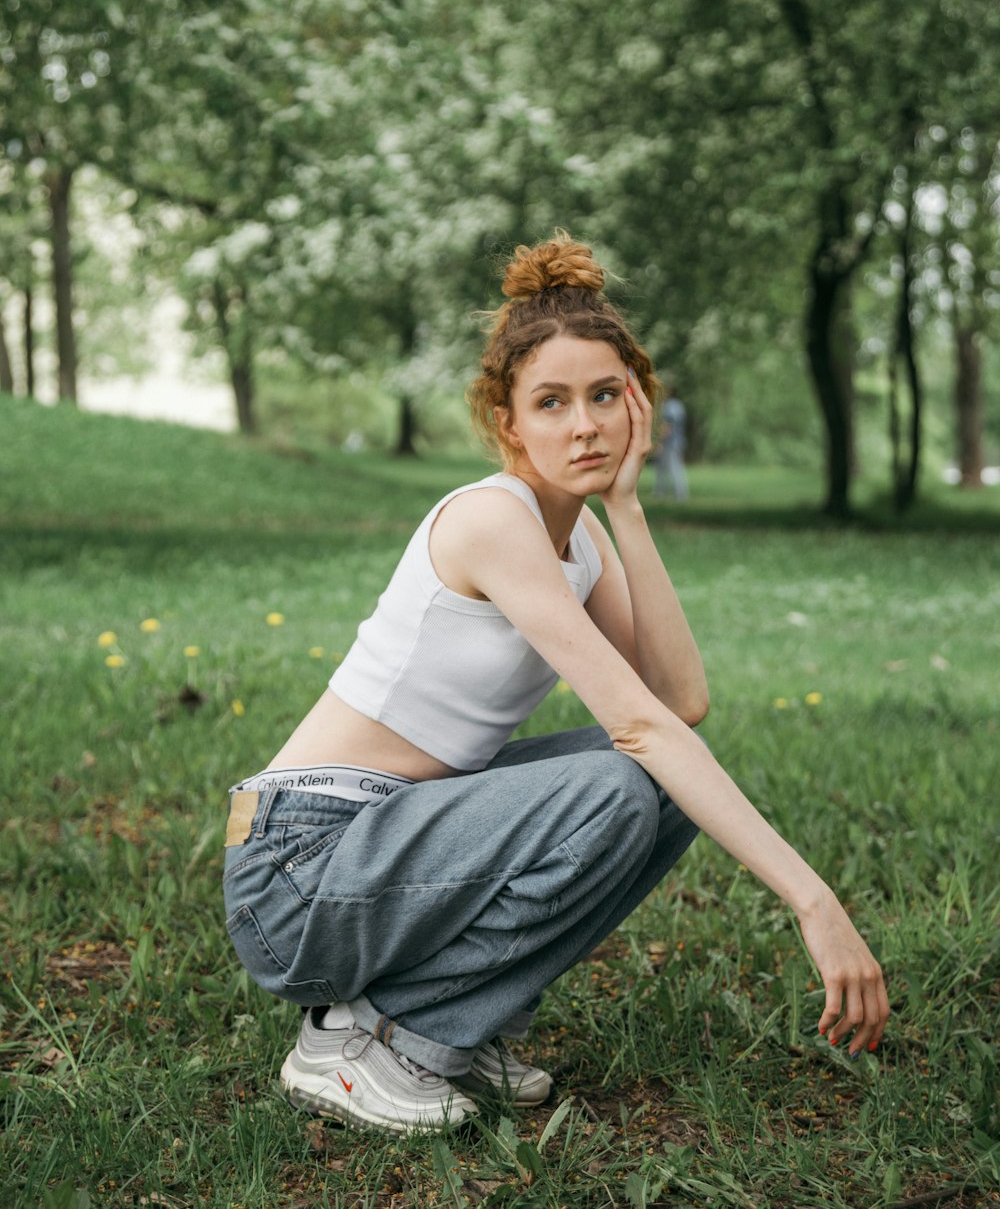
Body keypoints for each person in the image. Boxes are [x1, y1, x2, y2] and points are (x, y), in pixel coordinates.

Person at [222, 234, 889, 1135]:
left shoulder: (578, 535)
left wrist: (628, 507)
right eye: (553, 402)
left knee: (665, 782)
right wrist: (813, 900)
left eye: (605, 396)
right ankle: (377, 1038)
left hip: (387, 844)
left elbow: (680, 704)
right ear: (510, 424)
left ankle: (458, 1021)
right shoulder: (492, 520)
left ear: (636, 406)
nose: (585, 425)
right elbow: (642, 730)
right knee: (621, 779)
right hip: (298, 872)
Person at [653, 384, 689, 500]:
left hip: (669, 443)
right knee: (676, 468)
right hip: (679, 441)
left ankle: (663, 492)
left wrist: (659, 442)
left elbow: (667, 426)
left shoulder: (668, 407)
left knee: (664, 468)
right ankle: (677, 492)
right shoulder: (680, 406)